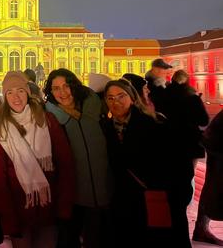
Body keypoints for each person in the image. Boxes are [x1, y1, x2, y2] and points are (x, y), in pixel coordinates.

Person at [0, 71, 75, 248]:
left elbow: (66, 165)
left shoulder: (47, 120)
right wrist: (8, 218)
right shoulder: (0, 127)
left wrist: (64, 208)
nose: (16, 97)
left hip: (49, 207)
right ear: (5, 96)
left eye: (20, 90)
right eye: (10, 92)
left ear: (27, 92)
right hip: (18, 210)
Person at [101, 78, 190, 248]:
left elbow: (180, 164)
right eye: (110, 98)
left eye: (121, 96)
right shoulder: (105, 128)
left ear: (132, 98)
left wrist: (178, 198)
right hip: (124, 204)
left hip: (155, 199)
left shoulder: (155, 123)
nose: (116, 102)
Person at [43, 68, 113, 248]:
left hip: (104, 195)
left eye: (66, 86)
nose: (62, 93)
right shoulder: (49, 119)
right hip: (70, 199)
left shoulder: (97, 108)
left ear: (75, 86)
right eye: (56, 88)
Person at [193, 109, 223, 246]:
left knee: (213, 185)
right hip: (217, 143)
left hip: (215, 141)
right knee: (214, 186)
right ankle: (201, 230)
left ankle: (200, 229)